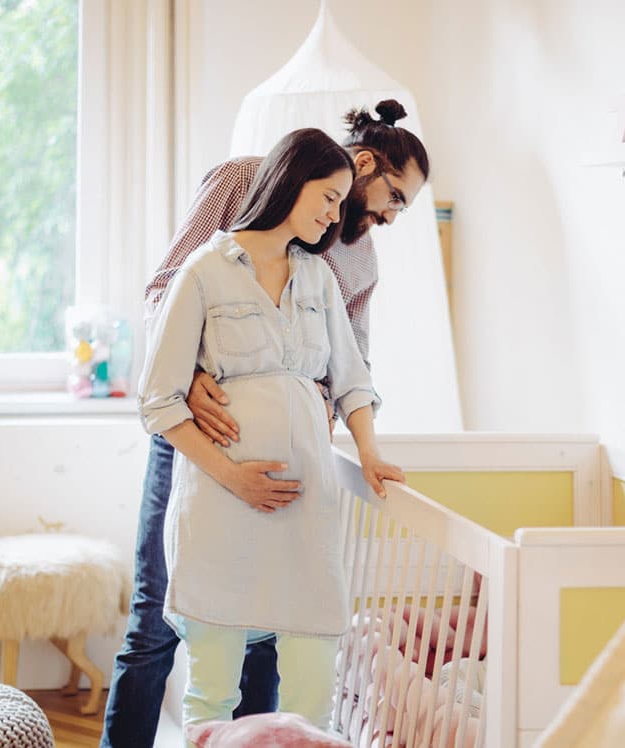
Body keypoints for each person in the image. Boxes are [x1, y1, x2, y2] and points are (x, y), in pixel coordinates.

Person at [101, 100, 430, 747]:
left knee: (270, 631)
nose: (389, 214)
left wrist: (338, 437)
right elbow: (165, 294)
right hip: (203, 443)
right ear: (362, 164)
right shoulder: (239, 184)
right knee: (158, 616)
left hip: (290, 471)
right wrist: (195, 383)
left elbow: (350, 368)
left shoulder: (347, 264)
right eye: (395, 195)